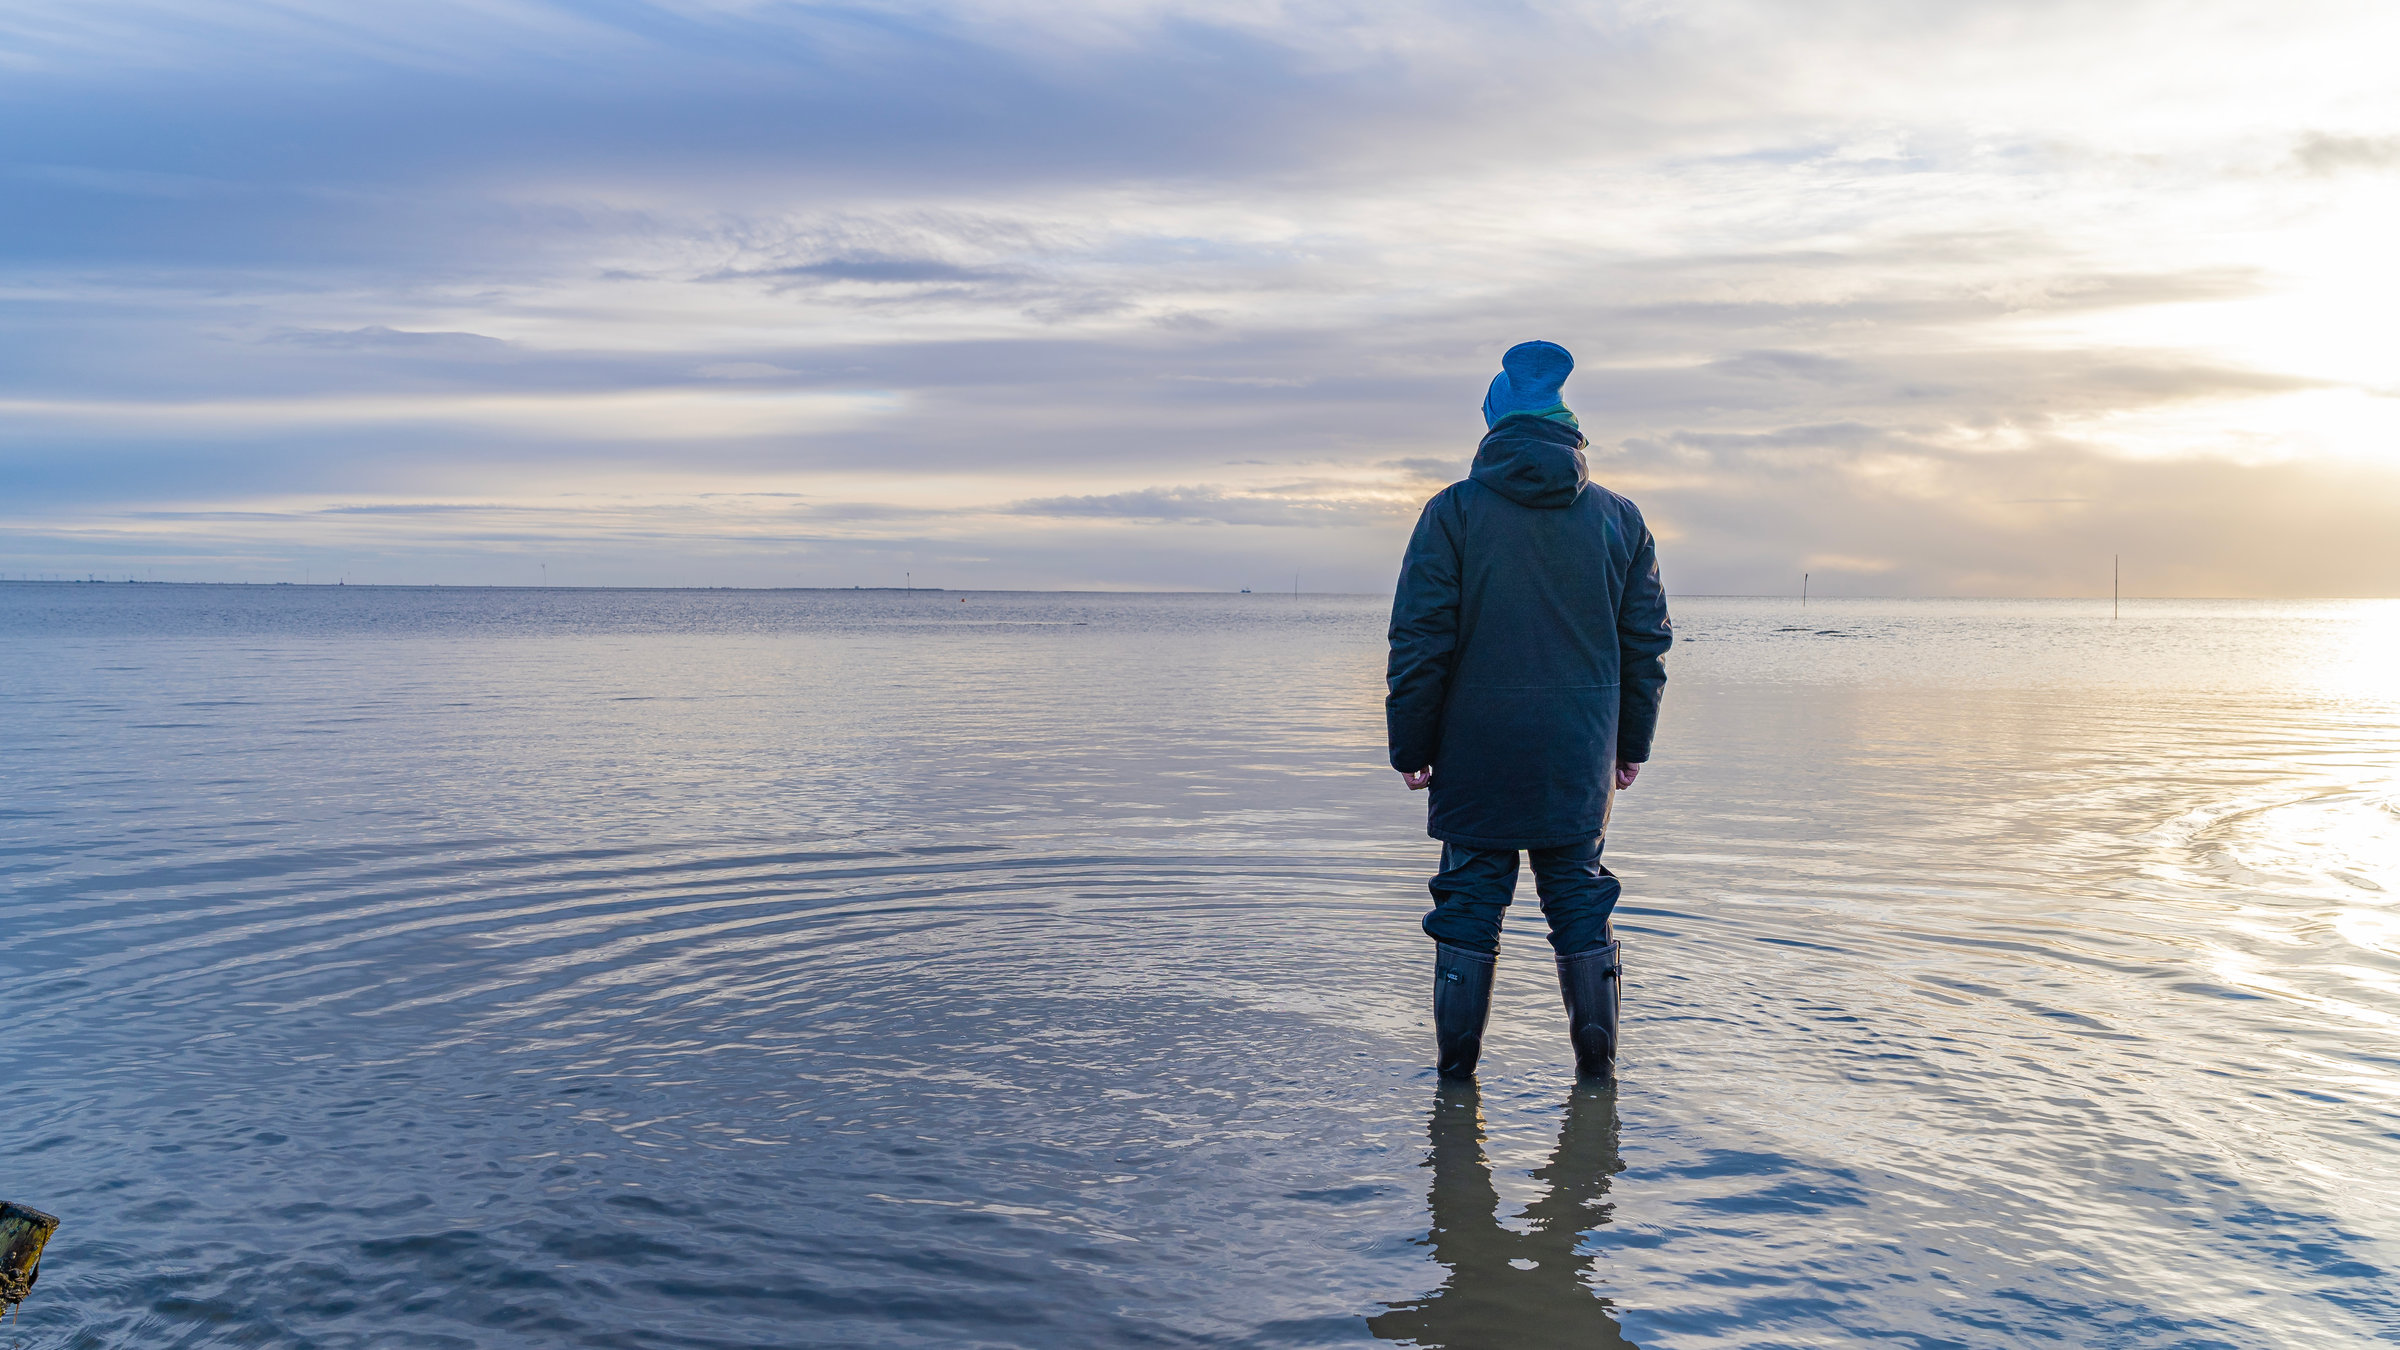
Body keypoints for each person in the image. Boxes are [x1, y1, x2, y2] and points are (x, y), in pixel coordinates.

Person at [1386, 339, 1672, 1079]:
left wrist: (1409, 744)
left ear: (1493, 424)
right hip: (1578, 750)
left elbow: (1420, 640)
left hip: (1475, 748)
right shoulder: (1620, 520)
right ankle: (1597, 1081)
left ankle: (1454, 1088)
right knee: (1579, 899)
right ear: (1566, 426)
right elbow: (1646, 645)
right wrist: (1630, 743)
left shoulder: (1453, 513)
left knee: (1469, 903)